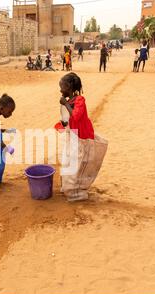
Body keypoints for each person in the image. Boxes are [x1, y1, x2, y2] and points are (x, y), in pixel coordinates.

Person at [58, 72, 108, 201]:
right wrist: (63, 123)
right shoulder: (70, 101)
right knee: (69, 161)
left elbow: (75, 115)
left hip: (83, 136)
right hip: (74, 135)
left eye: (61, 86)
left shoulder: (79, 100)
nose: (60, 90)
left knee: (79, 164)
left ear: (69, 87)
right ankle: (69, 187)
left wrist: (65, 104)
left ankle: (76, 192)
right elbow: (69, 119)